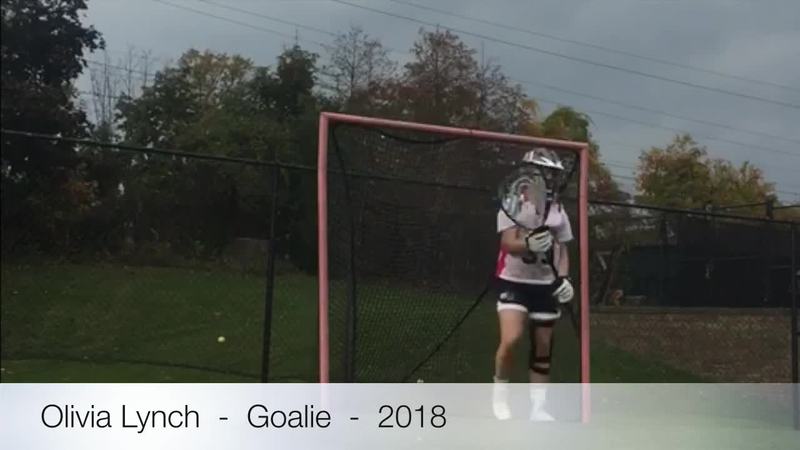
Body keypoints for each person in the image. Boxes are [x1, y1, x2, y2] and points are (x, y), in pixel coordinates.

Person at [492, 148, 575, 421]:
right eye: (545, 172)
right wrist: (527, 243)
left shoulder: (558, 209)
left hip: (545, 285)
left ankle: (538, 407)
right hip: (514, 281)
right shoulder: (512, 203)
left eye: (553, 173)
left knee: (543, 348)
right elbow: (508, 243)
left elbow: (562, 249)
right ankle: (499, 395)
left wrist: (564, 279)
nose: (550, 178)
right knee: (511, 339)